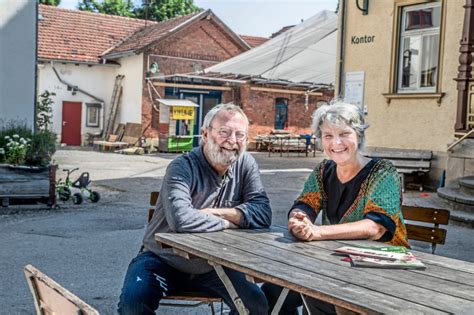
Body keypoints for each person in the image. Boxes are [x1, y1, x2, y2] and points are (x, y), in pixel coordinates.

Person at [118, 103, 272, 315]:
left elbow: (263, 213)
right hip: (162, 259)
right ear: (205, 134)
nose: (232, 140)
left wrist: (218, 213)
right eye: (224, 132)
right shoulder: (182, 166)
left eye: (240, 135)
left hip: (215, 265)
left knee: (256, 306)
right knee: (133, 305)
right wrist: (231, 222)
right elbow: (181, 220)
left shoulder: (245, 164)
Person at [262, 101, 409, 315]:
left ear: (358, 135)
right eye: (328, 135)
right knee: (271, 294)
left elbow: (376, 227)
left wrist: (317, 232)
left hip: (384, 268)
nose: (336, 142)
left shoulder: (382, 172)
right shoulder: (324, 170)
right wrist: (298, 219)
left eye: (344, 134)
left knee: (323, 297)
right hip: (335, 264)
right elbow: (305, 203)